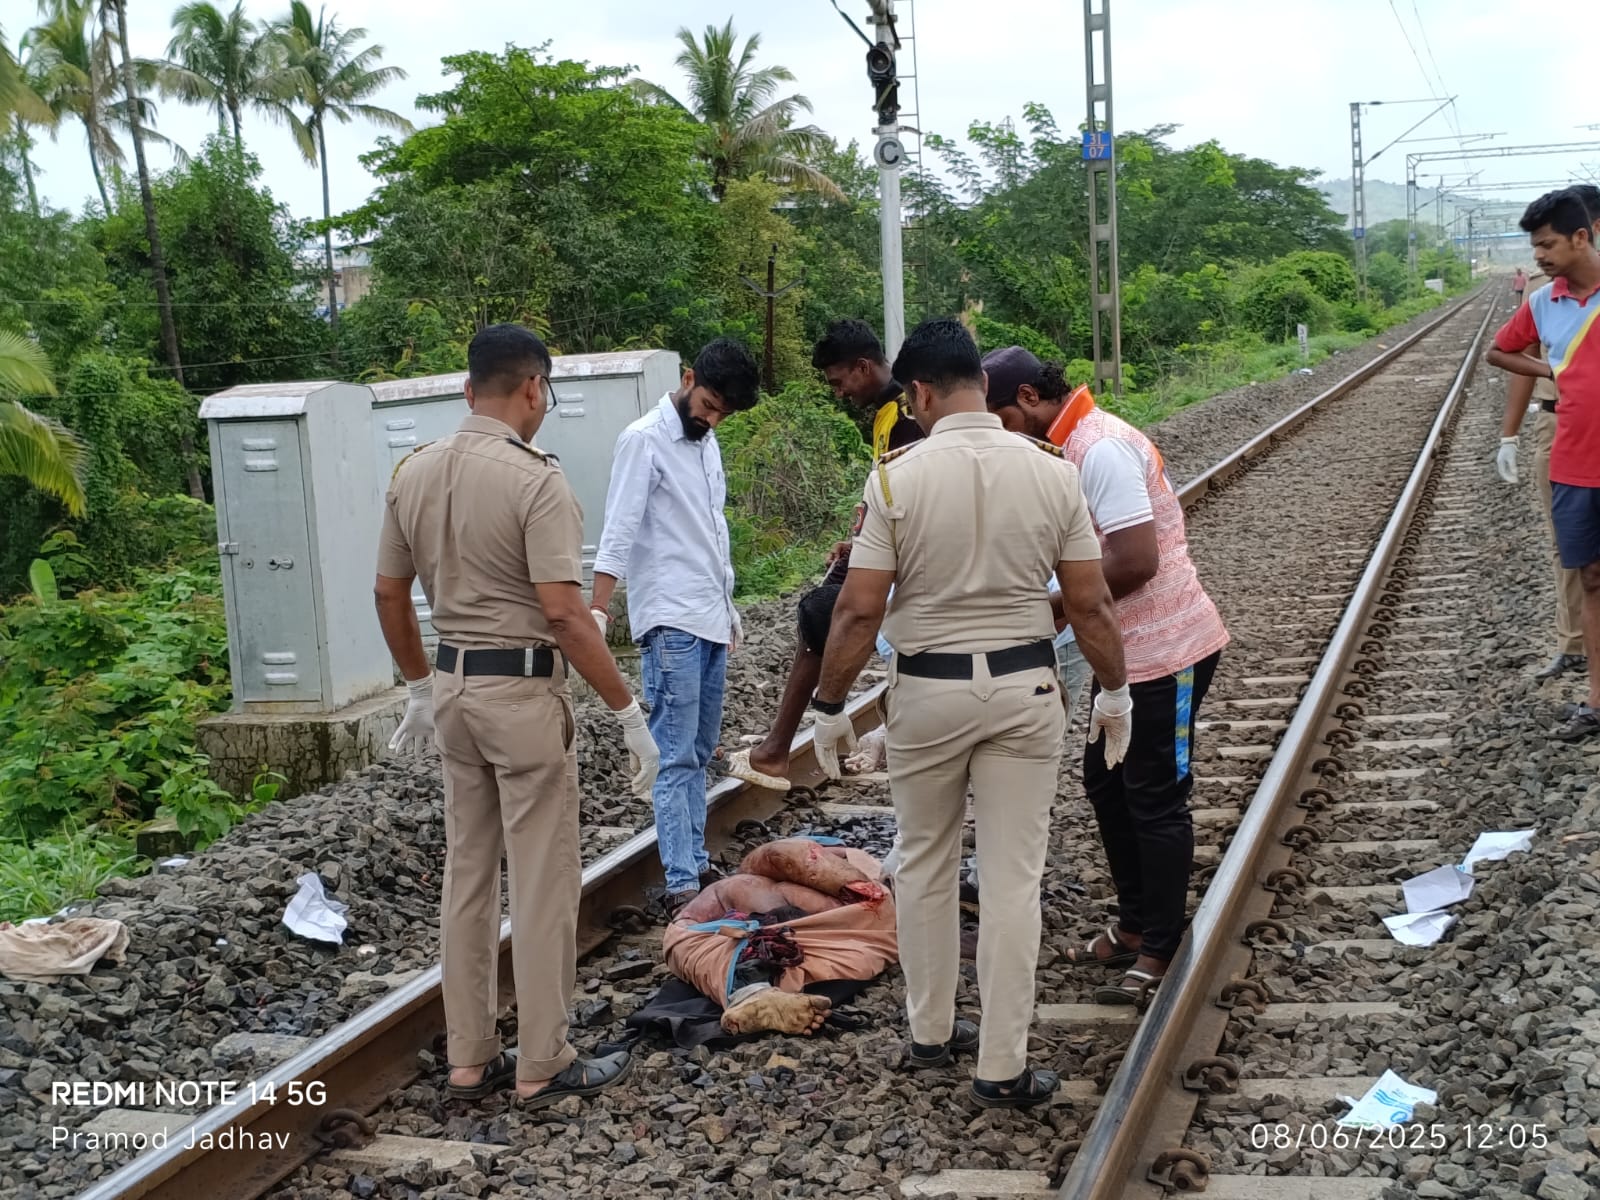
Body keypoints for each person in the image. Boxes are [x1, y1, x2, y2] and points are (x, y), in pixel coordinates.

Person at [809, 318, 1132, 1109]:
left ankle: (929, 1034)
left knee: (924, 863)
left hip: (927, 694)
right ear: (983, 387)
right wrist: (1115, 690)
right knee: (1014, 881)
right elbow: (1089, 604)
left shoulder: (894, 481)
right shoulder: (1053, 472)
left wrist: (830, 707)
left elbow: (857, 611)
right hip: (1024, 692)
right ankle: (1001, 1066)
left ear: (917, 393)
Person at [374, 324, 656, 1107]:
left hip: (453, 692)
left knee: (467, 876)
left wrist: (418, 686)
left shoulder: (412, 472)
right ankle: (542, 1060)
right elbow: (563, 614)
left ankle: (469, 1058)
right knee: (541, 881)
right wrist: (627, 711)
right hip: (522, 696)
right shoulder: (538, 482)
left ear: (470, 389)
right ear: (534, 387)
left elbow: (389, 593)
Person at [981, 346, 1230, 1006]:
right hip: (1124, 654)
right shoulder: (1070, 447)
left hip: (1169, 651)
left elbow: (1137, 561)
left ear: (1028, 398)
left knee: (1155, 795)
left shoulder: (1100, 448)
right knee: (1107, 784)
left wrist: (1056, 609)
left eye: (1000, 415)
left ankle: (1162, 946)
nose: (1000, 429)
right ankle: (1134, 925)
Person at [591, 338, 762, 911]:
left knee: (701, 747)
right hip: (670, 619)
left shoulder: (707, 443)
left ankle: (694, 860)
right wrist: (598, 607)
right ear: (689, 379)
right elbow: (619, 525)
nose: (711, 419)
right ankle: (683, 880)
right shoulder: (643, 439)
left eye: (722, 413)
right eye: (709, 405)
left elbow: (710, 530)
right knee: (674, 752)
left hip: (709, 616)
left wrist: (728, 608)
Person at [726, 319, 923, 793]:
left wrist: (875, 550)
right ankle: (778, 746)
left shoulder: (904, 417)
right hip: (899, 551)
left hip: (916, 564)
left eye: (839, 382)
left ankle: (780, 746)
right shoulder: (889, 412)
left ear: (863, 366)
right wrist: (860, 543)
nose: (838, 394)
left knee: (820, 615)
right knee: (821, 610)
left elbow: (914, 502)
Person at [1486, 186, 1600, 742]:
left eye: (1547, 245)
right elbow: (1501, 352)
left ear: (1582, 236)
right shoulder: (1541, 301)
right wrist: (1551, 373)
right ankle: (1594, 693)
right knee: (1587, 574)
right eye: (1535, 246)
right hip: (1573, 455)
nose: (1539, 255)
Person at [665, 839, 898, 1036]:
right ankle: (754, 990)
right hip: (848, 947)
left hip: (704, 940)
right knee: (731, 926)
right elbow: (787, 856)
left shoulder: (752, 884)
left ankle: (752, 991)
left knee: (710, 945)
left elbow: (779, 854)